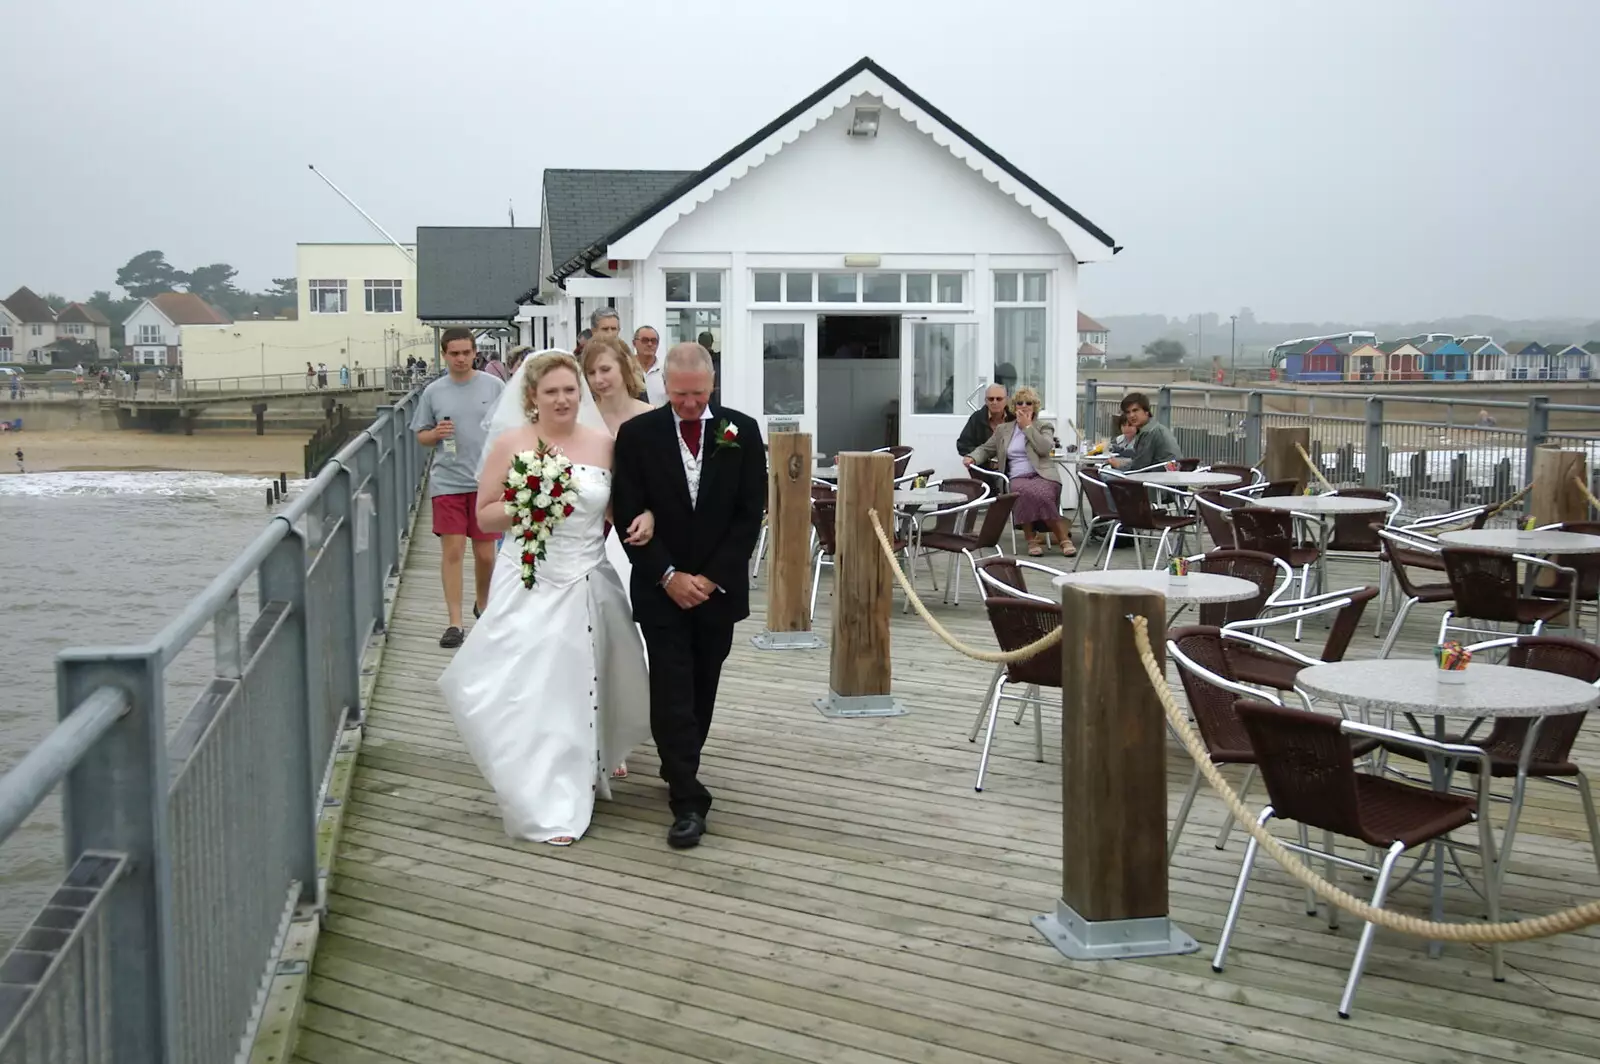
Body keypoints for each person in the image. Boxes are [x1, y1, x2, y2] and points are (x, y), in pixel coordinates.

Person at [439, 351, 653, 846]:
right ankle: (549, 796)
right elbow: (485, 515)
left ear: (581, 394)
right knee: (543, 688)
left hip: (590, 578)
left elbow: (619, 506)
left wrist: (647, 519)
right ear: (532, 396)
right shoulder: (512, 444)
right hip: (531, 575)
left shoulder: (603, 443)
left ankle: (590, 764)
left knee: (591, 680)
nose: (562, 399)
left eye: (570, 390)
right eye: (551, 391)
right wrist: (530, 502)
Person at [611, 342, 766, 849]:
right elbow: (630, 511)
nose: (690, 405)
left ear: (712, 385)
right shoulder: (637, 436)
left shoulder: (740, 431)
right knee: (672, 687)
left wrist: (710, 577)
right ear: (665, 387)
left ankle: (682, 762)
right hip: (662, 589)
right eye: (680, 395)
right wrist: (668, 576)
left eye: (698, 395)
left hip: (716, 590)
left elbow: (750, 514)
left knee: (703, 684)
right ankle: (687, 797)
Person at [410, 327, 505, 648]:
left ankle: (483, 604)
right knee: (453, 551)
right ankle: (454, 622)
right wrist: (435, 433)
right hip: (447, 481)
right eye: (455, 353)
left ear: (474, 352)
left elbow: (510, 426)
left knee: (486, 555)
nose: (461, 358)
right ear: (444, 354)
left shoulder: (494, 387)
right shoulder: (434, 392)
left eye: (466, 352)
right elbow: (421, 435)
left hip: (486, 483)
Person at [963, 385, 1074, 557]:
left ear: (1034, 406)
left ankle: (1060, 539)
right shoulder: (1004, 430)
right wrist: (972, 457)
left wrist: (1028, 428)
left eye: (1028, 403)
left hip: (1043, 475)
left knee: (1040, 493)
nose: (1023, 406)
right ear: (1014, 406)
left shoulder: (1044, 426)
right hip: (1017, 476)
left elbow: (1044, 449)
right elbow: (985, 449)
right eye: (1020, 403)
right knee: (1020, 490)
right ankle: (1035, 539)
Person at [1108, 392, 1182, 470]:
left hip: (1161, 477)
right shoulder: (1154, 428)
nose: (1131, 415)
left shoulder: (1149, 432)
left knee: (1105, 475)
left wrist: (1118, 465)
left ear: (1146, 411)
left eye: (1135, 410)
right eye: (1128, 412)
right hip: (1165, 475)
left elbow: (1139, 467)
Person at [956, 383, 1014, 465]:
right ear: (986, 401)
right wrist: (980, 457)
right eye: (991, 399)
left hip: (1009, 467)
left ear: (1007, 400)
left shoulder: (1014, 418)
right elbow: (963, 445)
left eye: (999, 399)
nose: (994, 402)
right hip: (982, 466)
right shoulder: (977, 418)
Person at [632, 325, 667, 406]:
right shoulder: (626, 369)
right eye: (645, 340)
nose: (650, 344)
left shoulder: (666, 370)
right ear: (634, 343)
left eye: (654, 341)